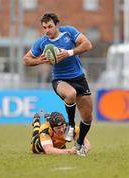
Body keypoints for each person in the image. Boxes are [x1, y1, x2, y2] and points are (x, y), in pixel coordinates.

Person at [24, 12, 93, 156]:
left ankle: (79, 143)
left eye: (50, 26)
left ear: (57, 25)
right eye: (44, 27)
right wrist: (39, 61)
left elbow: (87, 45)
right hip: (60, 80)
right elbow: (26, 59)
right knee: (70, 94)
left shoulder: (69, 32)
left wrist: (67, 53)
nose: (47, 30)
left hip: (79, 78)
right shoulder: (42, 42)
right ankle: (72, 126)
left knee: (87, 118)